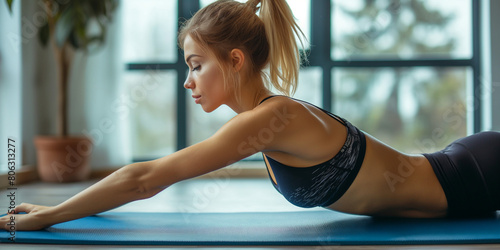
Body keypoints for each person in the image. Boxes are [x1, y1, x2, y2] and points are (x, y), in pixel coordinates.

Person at [2, 0, 500, 231]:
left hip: (475, 174)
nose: (188, 81)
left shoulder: (269, 117)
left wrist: (52, 215)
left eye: (197, 66)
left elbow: (146, 178)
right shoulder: (270, 117)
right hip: (465, 175)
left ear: (235, 60)